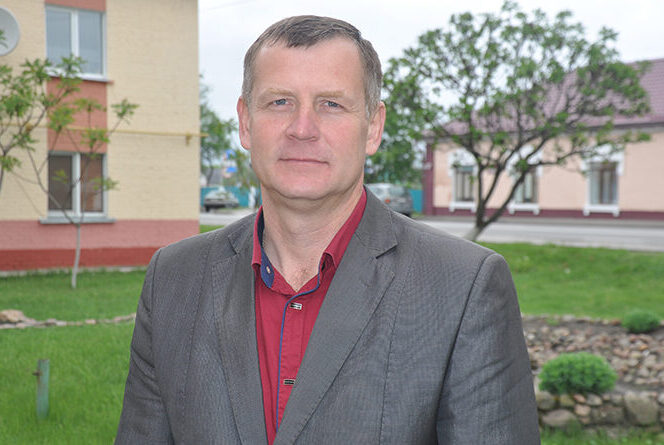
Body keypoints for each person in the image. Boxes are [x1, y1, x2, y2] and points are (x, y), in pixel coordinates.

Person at [115, 15, 540, 444]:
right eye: (279, 102)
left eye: (331, 104)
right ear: (245, 122)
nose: (302, 129)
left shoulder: (463, 286)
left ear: (373, 127)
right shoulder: (173, 280)